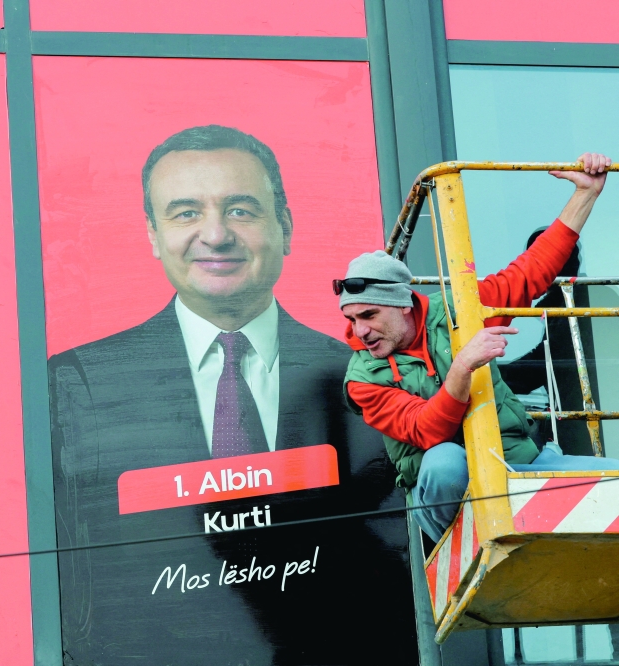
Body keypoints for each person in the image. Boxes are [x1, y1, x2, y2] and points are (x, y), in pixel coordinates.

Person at [49, 125, 417, 665]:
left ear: (285, 227)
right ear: (153, 235)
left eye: (241, 210)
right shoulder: (81, 382)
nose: (216, 235)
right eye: (185, 213)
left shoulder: (362, 376)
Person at [339, 152, 619, 544]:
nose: (360, 331)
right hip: (452, 497)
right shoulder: (362, 379)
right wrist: (462, 368)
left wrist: (585, 194)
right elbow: (426, 431)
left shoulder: (463, 311)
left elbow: (529, 274)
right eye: (352, 320)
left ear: (403, 304)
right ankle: (470, 547)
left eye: (368, 315)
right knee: (445, 461)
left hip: (520, 467)